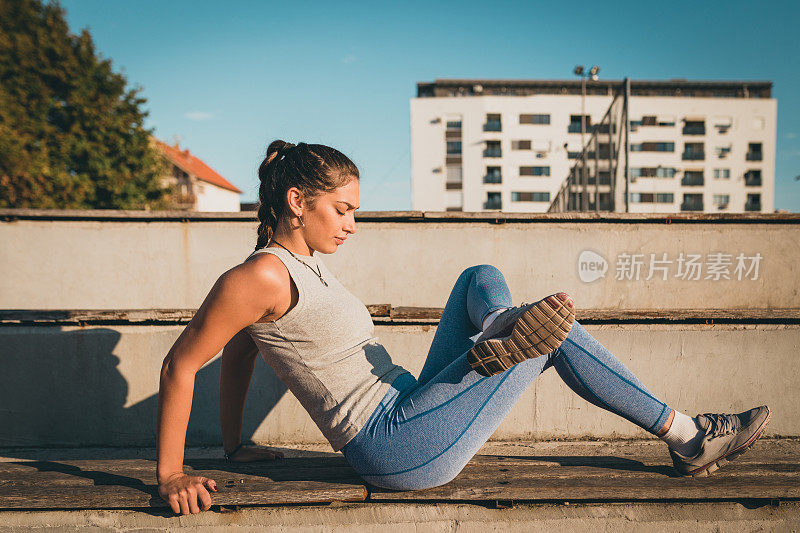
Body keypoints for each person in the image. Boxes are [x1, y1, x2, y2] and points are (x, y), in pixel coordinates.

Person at [156, 140, 771, 515]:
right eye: (342, 210)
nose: (350, 225)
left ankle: (503, 326)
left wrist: (236, 445)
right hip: (392, 445)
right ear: (297, 202)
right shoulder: (259, 276)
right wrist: (169, 475)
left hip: (409, 405)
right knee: (548, 336)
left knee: (479, 274)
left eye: (354, 212)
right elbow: (182, 363)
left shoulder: (298, 268)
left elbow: (242, 350)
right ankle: (689, 437)